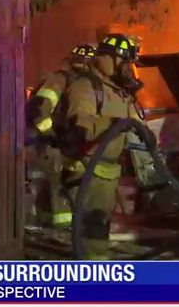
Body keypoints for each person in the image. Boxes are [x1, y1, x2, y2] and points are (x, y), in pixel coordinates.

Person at [61, 34, 148, 259]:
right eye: (125, 62)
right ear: (109, 59)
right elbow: (81, 126)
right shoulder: (86, 86)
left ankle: (94, 263)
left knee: (100, 225)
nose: (127, 69)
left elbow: (133, 121)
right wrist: (114, 123)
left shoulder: (119, 92)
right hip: (86, 166)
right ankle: (91, 270)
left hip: (108, 169)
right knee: (93, 228)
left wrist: (145, 132)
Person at [26, 44, 96, 228]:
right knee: (54, 189)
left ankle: (68, 228)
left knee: (74, 188)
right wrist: (50, 134)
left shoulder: (86, 86)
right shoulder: (59, 80)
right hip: (53, 145)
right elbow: (39, 107)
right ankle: (51, 230)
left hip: (72, 144)